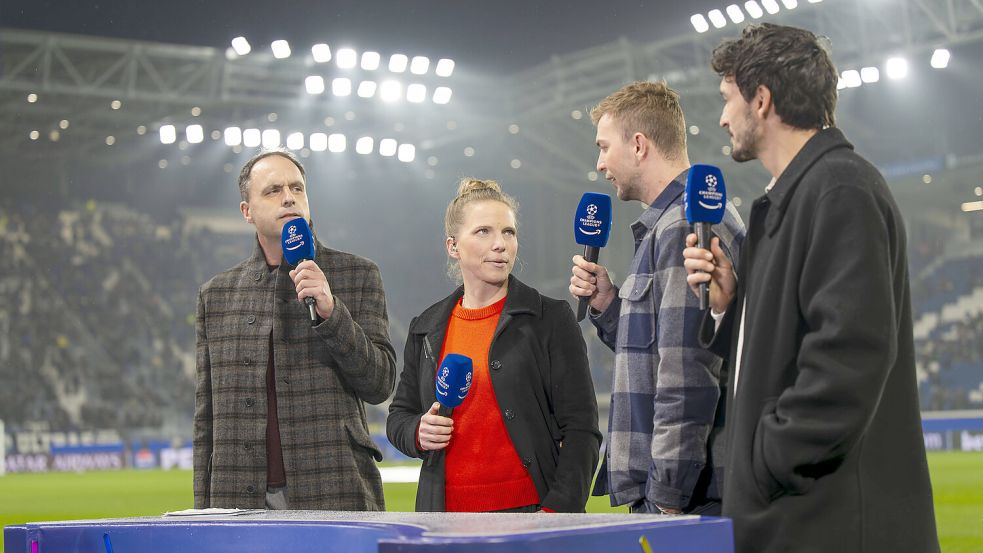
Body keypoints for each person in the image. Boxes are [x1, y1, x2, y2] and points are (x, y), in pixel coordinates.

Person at [682, 23, 939, 552]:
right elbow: (781, 352)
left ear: (761, 100)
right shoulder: (794, 196)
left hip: (829, 524)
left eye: (728, 99)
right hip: (798, 518)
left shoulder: (840, 188)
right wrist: (732, 306)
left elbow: (849, 360)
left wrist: (766, 460)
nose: (722, 118)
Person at [569, 81, 745, 515]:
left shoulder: (685, 226)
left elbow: (688, 373)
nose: (600, 163)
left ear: (638, 145)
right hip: (688, 490)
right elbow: (657, 349)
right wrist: (609, 305)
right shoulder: (675, 220)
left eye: (604, 147)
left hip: (686, 497)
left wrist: (666, 497)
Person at [194, 149, 396, 510]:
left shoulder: (358, 274)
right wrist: (202, 512)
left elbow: (380, 384)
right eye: (273, 190)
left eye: (297, 188)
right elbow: (205, 419)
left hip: (334, 489)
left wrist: (332, 313)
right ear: (247, 211)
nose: (288, 197)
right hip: (236, 498)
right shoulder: (216, 294)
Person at [387, 178, 601, 513]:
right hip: (443, 518)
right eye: (483, 231)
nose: (500, 244)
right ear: (453, 246)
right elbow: (399, 416)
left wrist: (557, 512)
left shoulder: (550, 319)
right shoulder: (425, 328)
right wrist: (418, 431)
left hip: (532, 515)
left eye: (508, 232)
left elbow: (581, 430)